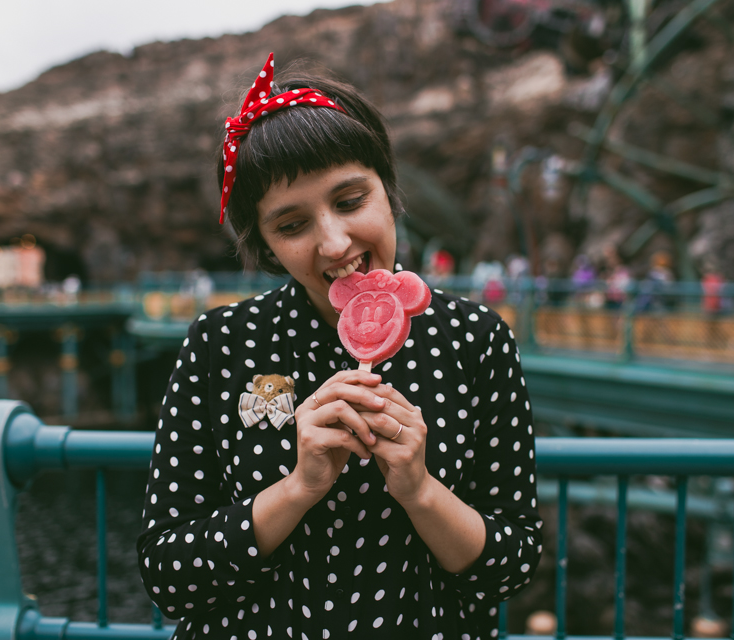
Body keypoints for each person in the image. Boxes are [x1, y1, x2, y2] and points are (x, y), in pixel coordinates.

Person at [137, 53, 543, 640]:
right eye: (292, 225)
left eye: (351, 201)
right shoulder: (221, 345)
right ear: (268, 246)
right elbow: (168, 576)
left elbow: (513, 566)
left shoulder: (474, 341)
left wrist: (420, 489)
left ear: (388, 191)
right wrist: (299, 487)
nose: (334, 243)